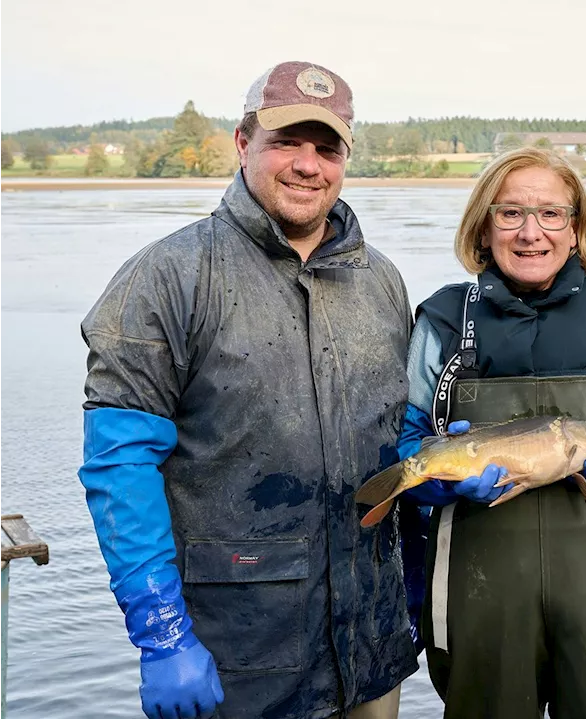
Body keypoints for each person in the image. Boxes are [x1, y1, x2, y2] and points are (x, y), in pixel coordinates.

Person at [78, 62, 417, 719]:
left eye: (326, 148)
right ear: (242, 143)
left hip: (370, 655)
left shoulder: (382, 282)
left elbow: (395, 436)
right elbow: (120, 466)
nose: (307, 165)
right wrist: (162, 635)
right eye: (285, 142)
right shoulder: (167, 278)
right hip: (238, 660)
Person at [395, 147, 586, 719]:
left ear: (576, 228)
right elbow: (405, 444)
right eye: (510, 213)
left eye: (551, 214)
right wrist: (439, 482)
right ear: (483, 229)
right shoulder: (443, 320)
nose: (530, 232)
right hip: (481, 597)